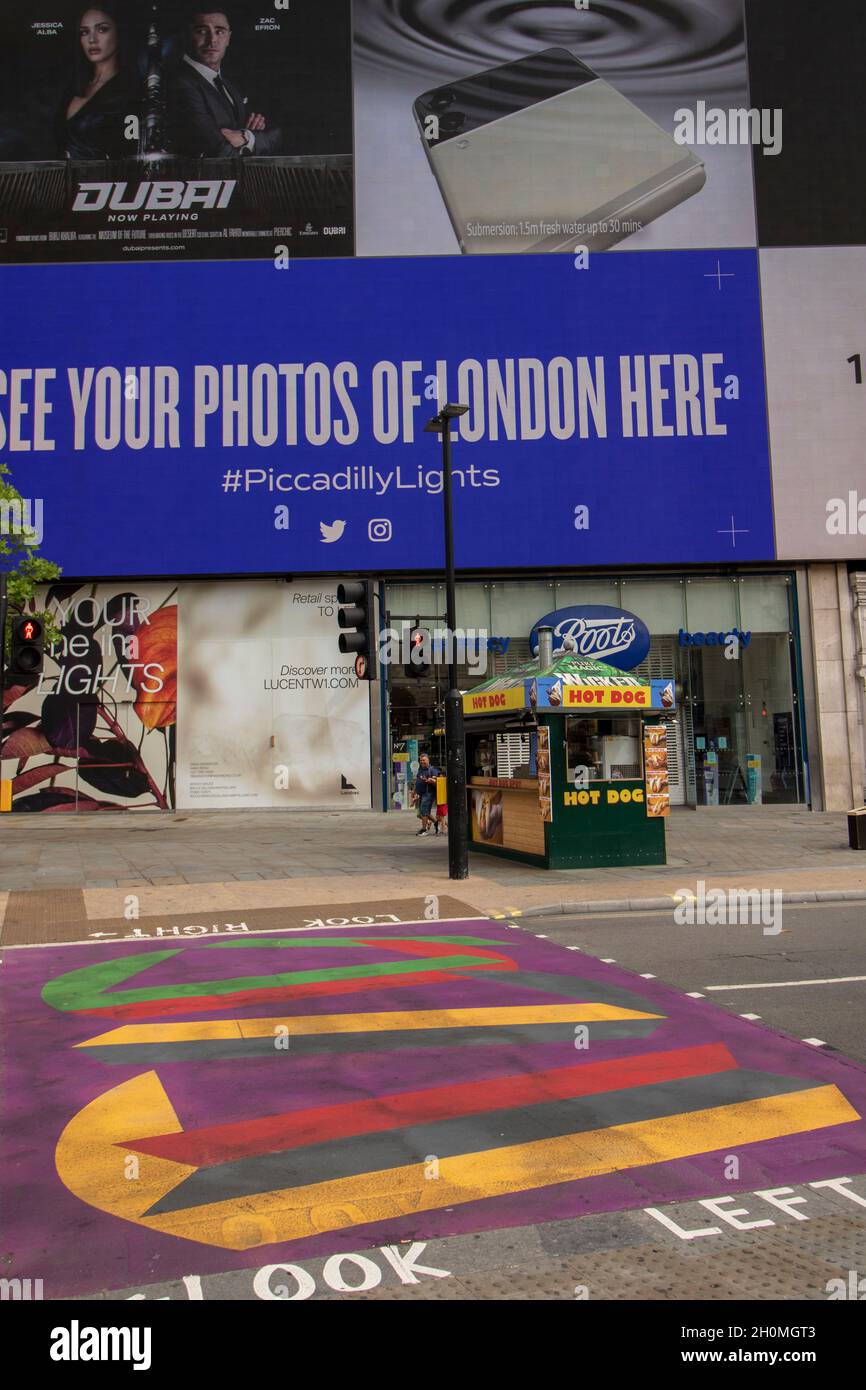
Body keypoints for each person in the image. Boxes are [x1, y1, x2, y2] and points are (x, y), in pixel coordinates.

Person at [168, 8, 282, 158]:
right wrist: (252, 140)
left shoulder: (231, 84)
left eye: (220, 31)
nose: (212, 40)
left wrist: (246, 136)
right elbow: (218, 150)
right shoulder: (178, 83)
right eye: (202, 31)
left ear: (229, 38)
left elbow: (276, 134)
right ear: (187, 35)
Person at [56, 5, 137, 160]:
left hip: (100, 181)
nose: (92, 40)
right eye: (84, 32)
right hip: (59, 181)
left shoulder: (131, 91)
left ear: (119, 32)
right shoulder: (72, 88)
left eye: (102, 29)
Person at [412, 753, 439, 836]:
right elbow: (417, 781)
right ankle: (436, 823)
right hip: (422, 793)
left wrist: (431, 780)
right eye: (421, 760)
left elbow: (436, 781)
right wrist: (414, 791)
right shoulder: (421, 770)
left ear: (428, 760)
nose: (422, 762)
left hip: (429, 793)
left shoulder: (432, 770)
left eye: (424, 760)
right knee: (423, 812)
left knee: (424, 811)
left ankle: (424, 830)